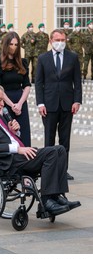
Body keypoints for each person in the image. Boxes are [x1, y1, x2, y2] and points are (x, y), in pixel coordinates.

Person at [0, 83, 81, 216]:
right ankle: (47, 201)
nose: (3, 104)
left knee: (60, 150)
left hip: (16, 155)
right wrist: (17, 149)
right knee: (51, 153)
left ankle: (56, 196)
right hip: (6, 161)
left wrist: (13, 132)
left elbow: (4, 138)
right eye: (0, 100)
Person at [35, 29, 82, 181]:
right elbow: (39, 83)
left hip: (67, 105)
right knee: (49, 140)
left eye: (63, 40)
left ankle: (63, 170)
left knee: (65, 140)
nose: (60, 42)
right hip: (49, 105)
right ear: (50, 41)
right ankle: (48, 170)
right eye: (57, 40)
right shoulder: (43, 58)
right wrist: (40, 103)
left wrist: (77, 100)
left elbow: (77, 81)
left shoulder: (73, 57)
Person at [0, 31, 31, 146]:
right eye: (11, 44)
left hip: (21, 101)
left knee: (24, 134)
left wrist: (20, 103)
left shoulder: (23, 62)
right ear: (6, 45)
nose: (14, 47)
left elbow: (26, 85)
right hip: (5, 101)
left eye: (16, 45)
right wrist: (11, 105)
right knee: (9, 133)